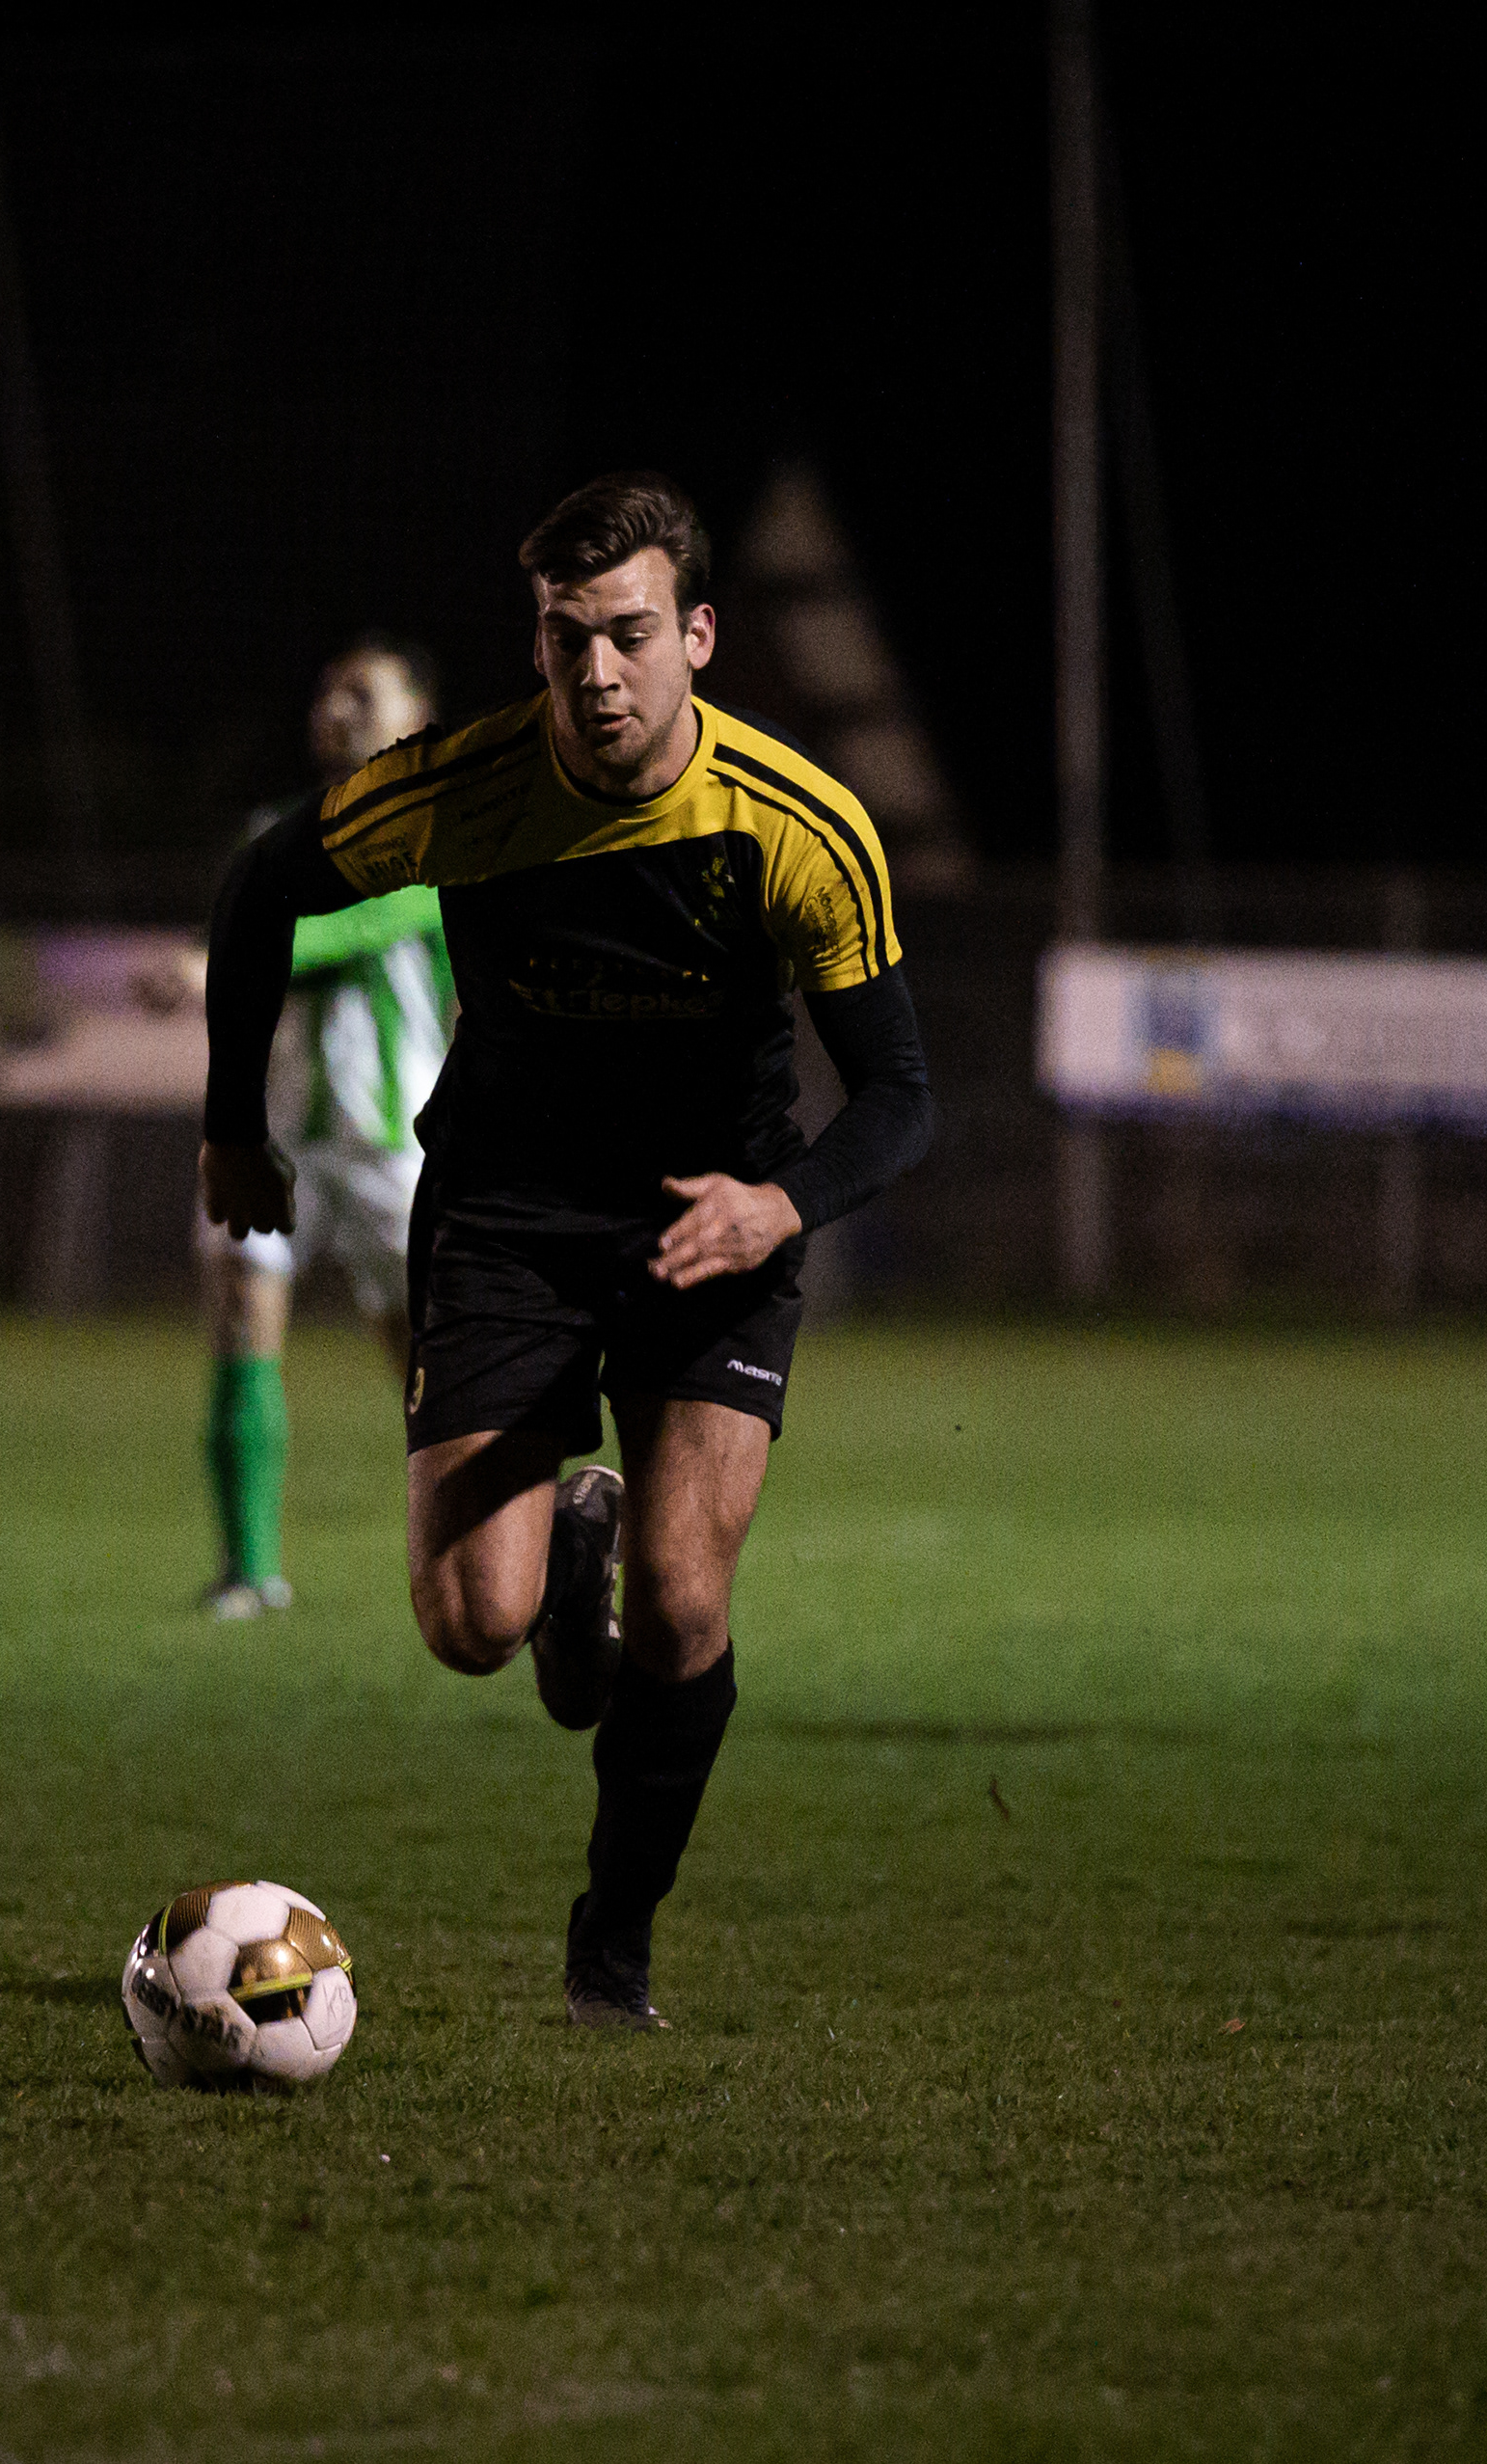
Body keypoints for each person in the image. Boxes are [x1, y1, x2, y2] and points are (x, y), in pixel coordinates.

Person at [200, 473, 933, 2027]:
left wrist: (781, 1204)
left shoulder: (798, 824)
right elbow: (264, 888)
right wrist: (228, 1125)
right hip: (508, 1214)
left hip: (710, 1220)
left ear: (699, 636)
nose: (596, 671)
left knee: (680, 1605)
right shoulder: (463, 787)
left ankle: (614, 1941)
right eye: (563, 636)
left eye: (628, 633)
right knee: (472, 1623)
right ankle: (561, 1548)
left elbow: (900, 1095)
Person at [166, 638, 455, 1619]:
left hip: (398, 1145)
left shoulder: (436, 834)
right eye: (329, 691)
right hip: (279, 1134)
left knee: (431, 1363)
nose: (336, 707)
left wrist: (221, 960)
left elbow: (361, 924)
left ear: (416, 718)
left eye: (363, 693)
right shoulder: (271, 833)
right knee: (241, 1308)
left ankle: (487, 1549)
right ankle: (249, 1572)